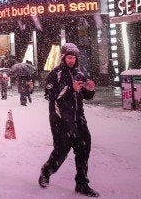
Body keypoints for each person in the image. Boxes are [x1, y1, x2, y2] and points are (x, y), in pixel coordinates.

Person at [38, 43, 99, 197]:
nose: (72, 60)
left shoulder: (80, 73)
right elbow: (49, 95)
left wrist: (90, 90)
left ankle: (82, 184)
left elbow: (85, 96)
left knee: (84, 150)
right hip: (60, 120)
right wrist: (70, 88)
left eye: (74, 57)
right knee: (61, 151)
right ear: (63, 57)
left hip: (79, 119)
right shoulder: (55, 74)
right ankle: (46, 171)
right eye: (69, 57)